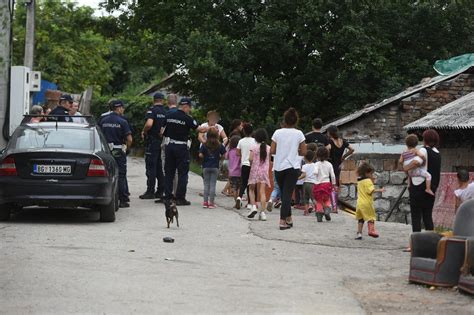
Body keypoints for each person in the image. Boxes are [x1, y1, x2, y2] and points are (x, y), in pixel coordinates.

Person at [162, 97, 208, 205]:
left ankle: (168, 197)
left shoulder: (168, 115)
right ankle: (180, 198)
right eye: (189, 108)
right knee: (182, 173)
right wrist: (209, 128)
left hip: (169, 146)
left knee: (169, 173)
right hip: (181, 147)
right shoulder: (187, 118)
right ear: (186, 107)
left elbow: (161, 131)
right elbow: (199, 129)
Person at [271, 108, 307, 230]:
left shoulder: (277, 133)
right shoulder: (299, 134)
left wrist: (282, 150)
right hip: (292, 167)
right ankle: (282, 221)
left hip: (279, 167)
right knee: (287, 195)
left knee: (283, 193)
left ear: (284, 120)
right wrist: (293, 150)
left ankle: (289, 218)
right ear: (296, 121)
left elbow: (272, 150)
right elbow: (304, 152)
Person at [404, 129, 441, 238]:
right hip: (431, 187)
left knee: (416, 216)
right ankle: (432, 242)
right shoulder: (437, 153)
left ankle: (415, 244)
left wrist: (406, 168)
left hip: (419, 186)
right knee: (427, 216)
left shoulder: (423, 150)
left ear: (425, 139)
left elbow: (416, 162)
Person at [98, 100, 133, 208]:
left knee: (106, 174)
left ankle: (104, 196)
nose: (123, 110)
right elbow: (129, 139)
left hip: (106, 151)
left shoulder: (103, 120)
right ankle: (122, 200)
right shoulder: (122, 121)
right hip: (118, 150)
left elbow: (98, 135)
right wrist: (127, 149)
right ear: (118, 108)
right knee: (121, 175)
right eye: (122, 108)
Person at [139, 92, 167, 201]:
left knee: (151, 167)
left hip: (153, 141)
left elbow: (149, 124)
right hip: (162, 141)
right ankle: (160, 191)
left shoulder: (152, 110)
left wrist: (144, 131)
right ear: (163, 100)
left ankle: (150, 191)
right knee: (160, 167)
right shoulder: (166, 112)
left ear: (153, 100)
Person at [355, 162, 385, 239]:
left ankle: (359, 233)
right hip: (367, 203)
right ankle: (371, 231)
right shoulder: (368, 181)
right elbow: (371, 191)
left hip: (359, 203)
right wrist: (380, 190)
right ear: (366, 173)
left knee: (361, 219)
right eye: (371, 174)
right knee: (371, 217)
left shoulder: (359, 181)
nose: (372, 175)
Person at [247, 128, 271, 221]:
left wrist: (251, 164)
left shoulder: (253, 147)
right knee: (262, 192)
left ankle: (253, 206)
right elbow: (268, 160)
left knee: (251, 189)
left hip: (255, 170)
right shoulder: (268, 148)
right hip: (264, 171)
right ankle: (263, 213)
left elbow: (250, 158)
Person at [199, 129, 226, 209]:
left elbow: (200, 155)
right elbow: (224, 155)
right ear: (217, 136)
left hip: (206, 166)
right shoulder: (219, 145)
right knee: (213, 185)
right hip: (215, 167)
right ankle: (211, 203)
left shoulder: (204, 145)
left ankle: (205, 202)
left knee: (206, 185)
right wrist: (220, 158)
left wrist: (204, 157)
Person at [235, 123, 256, 209]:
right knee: (251, 184)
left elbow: (237, 152)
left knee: (244, 182)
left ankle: (239, 197)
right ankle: (250, 203)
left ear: (243, 131)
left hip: (244, 164)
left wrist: (242, 156)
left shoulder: (241, 141)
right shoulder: (255, 141)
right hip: (253, 164)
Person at [312, 147, 336, 222]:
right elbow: (332, 175)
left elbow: (315, 172)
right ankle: (327, 209)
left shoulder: (316, 164)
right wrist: (334, 184)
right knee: (326, 198)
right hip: (327, 184)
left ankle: (319, 213)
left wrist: (315, 173)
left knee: (319, 200)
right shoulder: (329, 164)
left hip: (318, 185)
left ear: (317, 155)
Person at [297, 150, 316, 216]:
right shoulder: (315, 165)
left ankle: (306, 211)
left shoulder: (304, 166)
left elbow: (304, 175)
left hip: (305, 184)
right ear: (313, 158)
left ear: (304, 158)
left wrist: (298, 178)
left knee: (306, 198)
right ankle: (318, 208)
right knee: (313, 197)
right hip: (313, 184)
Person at [226, 135, 242, 203]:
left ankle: (236, 201)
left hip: (232, 172)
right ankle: (239, 198)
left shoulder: (230, 151)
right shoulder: (240, 151)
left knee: (234, 188)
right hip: (240, 172)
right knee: (239, 187)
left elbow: (226, 157)